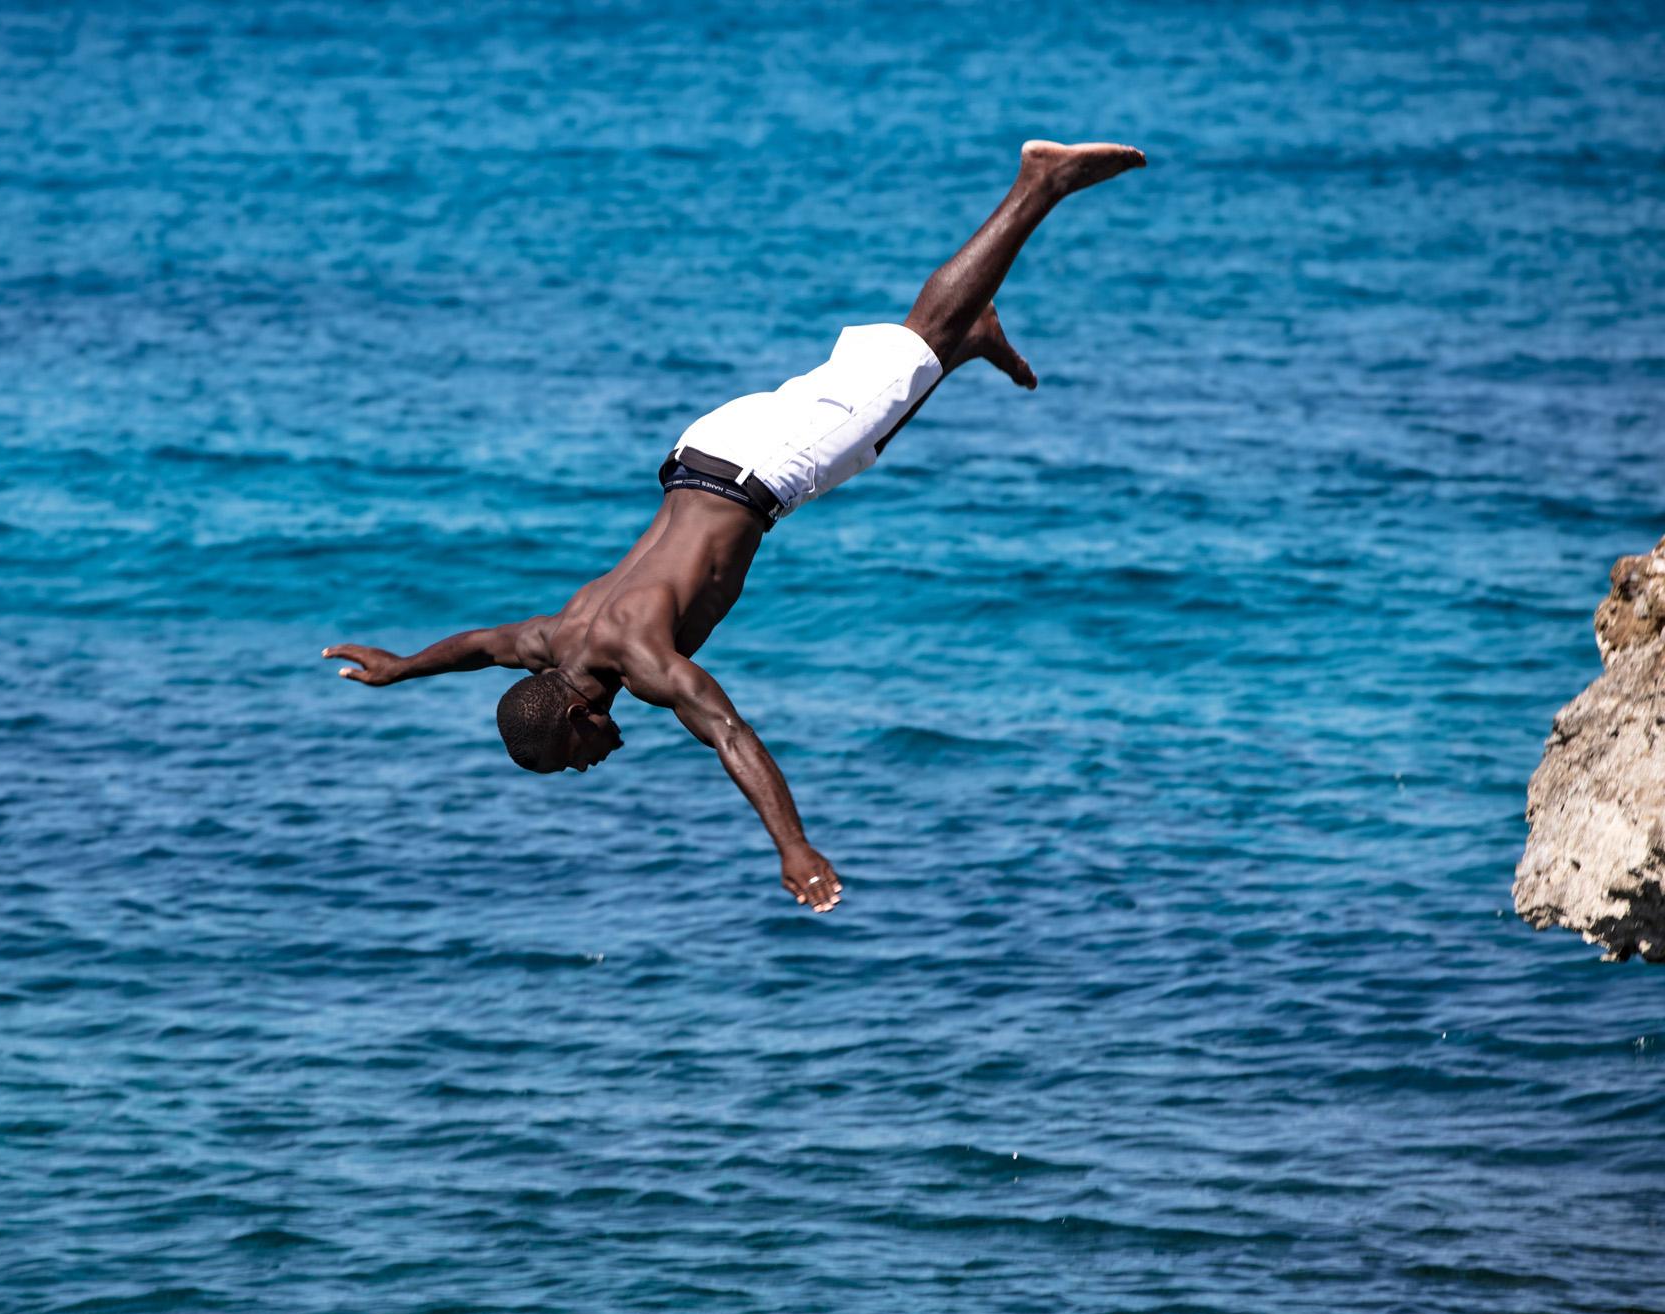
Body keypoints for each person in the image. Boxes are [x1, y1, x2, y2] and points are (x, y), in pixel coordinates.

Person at [327, 140, 1145, 913]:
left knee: (912, 344)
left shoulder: (638, 660)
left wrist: (793, 846)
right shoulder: (558, 638)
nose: (586, 767)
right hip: (704, 451)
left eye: (571, 760)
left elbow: (729, 735)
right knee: (876, 418)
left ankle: (1040, 183)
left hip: (763, 468)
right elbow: (479, 645)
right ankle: (968, 342)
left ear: (579, 718)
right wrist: (401, 669)